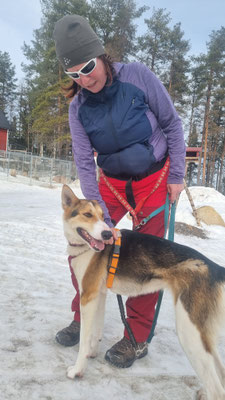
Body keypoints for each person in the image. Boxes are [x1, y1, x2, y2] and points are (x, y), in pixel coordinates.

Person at [53, 14, 185, 368]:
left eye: (89, 67)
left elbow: (172, 124)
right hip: (109, 184)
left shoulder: (139, 77)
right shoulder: (77, 107)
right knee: (83, 243)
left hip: (153, 180)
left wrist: (178, 175)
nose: (84, 78)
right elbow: (84, 161)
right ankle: (85, 315)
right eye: (74, 74)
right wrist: (102, 217)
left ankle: (136, 335)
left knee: (147, 259)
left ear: (102, 55)